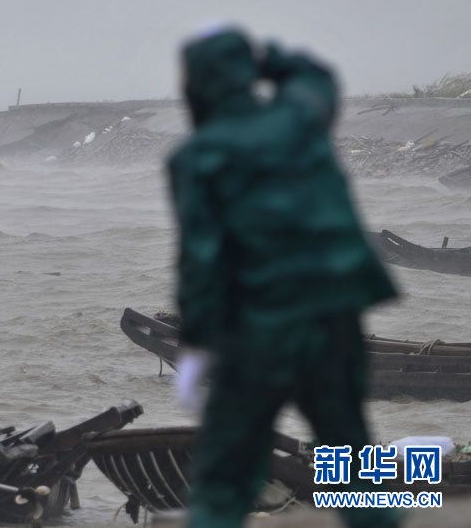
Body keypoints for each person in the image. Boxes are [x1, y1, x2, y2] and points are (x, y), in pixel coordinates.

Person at [167, 27, 400, 528]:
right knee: (355, 462)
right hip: (333, 316)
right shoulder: (299, 118)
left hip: (257, 330)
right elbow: (315, 76)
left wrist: (196, 343)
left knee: (225, 477)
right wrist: (270, 59)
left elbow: (201, 262)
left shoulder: (196, 157)